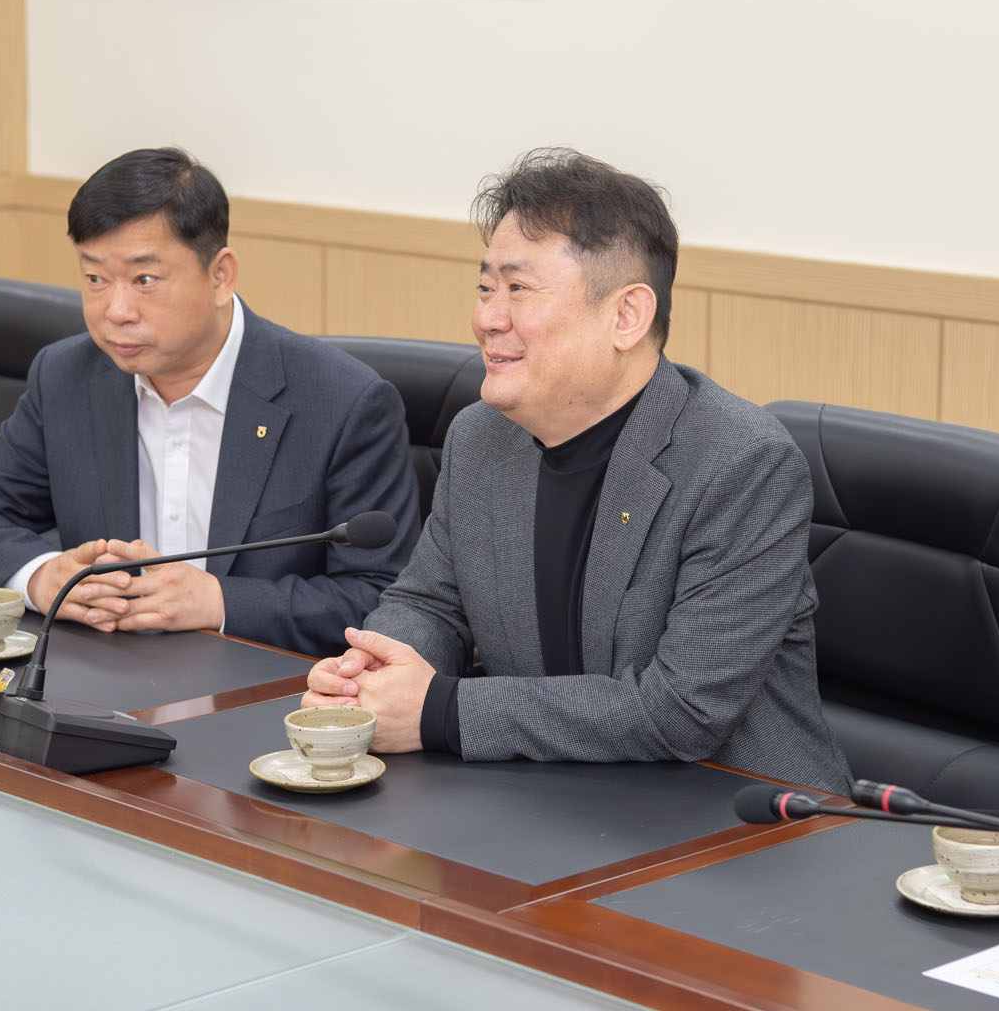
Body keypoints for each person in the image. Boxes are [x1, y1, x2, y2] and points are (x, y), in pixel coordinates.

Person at [302, 148, 851, 791]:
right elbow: (431, 603)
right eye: (485, 288)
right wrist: (372, 673)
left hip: (738, 813)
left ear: (626, 316)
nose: (486, 318)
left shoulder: (740, 463)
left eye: (518, 289)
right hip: (552, 792)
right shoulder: (481, 437)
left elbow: (681, 711)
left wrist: (439, 710)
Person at [0, 147, 420, 655]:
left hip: (260, 686)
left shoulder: (341, 403)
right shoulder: (67, 377)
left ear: (220, 276)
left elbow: (383, 599)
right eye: (95, 279)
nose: (116, 310)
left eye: (144, 280)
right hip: (102, 673)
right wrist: (41, 577)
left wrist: (220, 602)